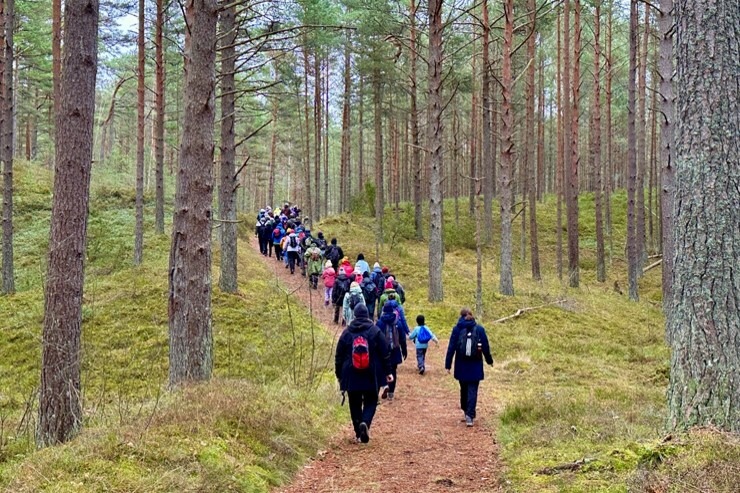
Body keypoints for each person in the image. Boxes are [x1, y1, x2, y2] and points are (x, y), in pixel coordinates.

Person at [335, 304, 394, 444]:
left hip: (351, 374)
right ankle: (365, 423)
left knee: (354, 403)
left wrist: (339, 375)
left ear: (355, 315)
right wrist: (388, 372)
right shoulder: (374, 331)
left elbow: (339, 356)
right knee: (371, 400)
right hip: (371, 373)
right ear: (367, 315)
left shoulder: (347, 332)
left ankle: (358, 432)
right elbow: (385, 352)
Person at [445, 307, 494, 427]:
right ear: (472, 316)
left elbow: (451, 347)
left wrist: (448, 364)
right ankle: (470, 416)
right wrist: (489, 361)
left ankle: (466, 410)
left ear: (460, 316)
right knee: (473, 389)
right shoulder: (479, 329)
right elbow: (486, 347)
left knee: (464, 388)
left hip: (461, 365)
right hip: (475, 365)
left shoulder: (457, 329)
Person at [375, 301, 408, 401]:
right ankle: (391, 393)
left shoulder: (380, 322)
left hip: (382, 351)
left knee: (380, 370)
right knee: (393, 370)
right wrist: (404, 350)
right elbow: (402, 338)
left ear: (384, 310)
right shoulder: (397, 322)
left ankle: (380, 389)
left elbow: (375, 336)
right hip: (395, 350)